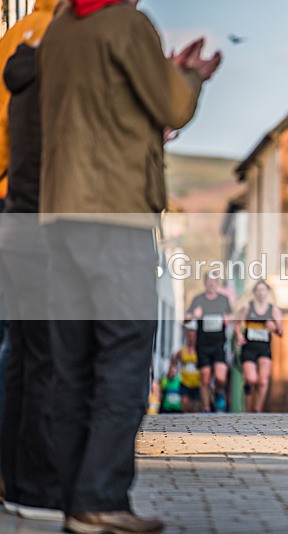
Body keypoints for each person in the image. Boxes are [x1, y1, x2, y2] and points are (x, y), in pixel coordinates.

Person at [38, 0, 221, 531]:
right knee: (122, 358)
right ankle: (99, 500)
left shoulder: (59, 32)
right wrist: (189, 75)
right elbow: (171, 108)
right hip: (116, 216)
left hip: (58, 213)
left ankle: (67, 494)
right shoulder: (128, 25)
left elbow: (104, 107)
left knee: (70, 363)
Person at [0, 0, 62, 521]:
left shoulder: (21, 33)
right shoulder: (58, 36)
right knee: (40, 349)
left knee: (18, 348)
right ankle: (31, 483)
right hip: (32, 206)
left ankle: (16, 479)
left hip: (9, 201)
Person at [188, 273, 233, 413]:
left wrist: (228, 318)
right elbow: (186, 317)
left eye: (214, 281)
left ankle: (218, 391)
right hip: (203, 344)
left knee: (221, 377)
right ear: (205, 282)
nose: (211, 284)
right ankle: (207, 409)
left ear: (217, 283)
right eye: (209, 281)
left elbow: (231, 314)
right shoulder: (198, 299)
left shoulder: (223, 300)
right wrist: (194, 315)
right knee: (205, 377)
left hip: (219, 343)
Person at [235, 280, 283, 413]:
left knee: (262, 381)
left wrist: (274, 327)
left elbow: (281, 332)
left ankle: (257, 409)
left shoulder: (273, 310)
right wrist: (239, 335)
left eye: (263, 290)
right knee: (252, 379)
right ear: (255, 293)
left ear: (267, 292)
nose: (261, 293)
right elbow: (236, 324)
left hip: (264, 348)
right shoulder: (247, 307)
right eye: (258, 290)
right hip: (248, 347)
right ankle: (247, 385)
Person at [169, 321, 202, 413]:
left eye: (193, 335)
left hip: (197, 383)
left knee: (196, 409)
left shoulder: (199, 350)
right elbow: (173, 361)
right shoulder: (182, 351)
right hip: (185, 382)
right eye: (189, 335)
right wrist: (171, 372)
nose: (191, 338)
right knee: (185, 405)